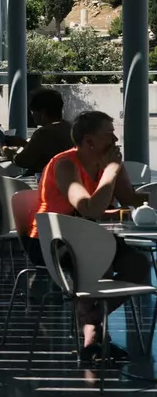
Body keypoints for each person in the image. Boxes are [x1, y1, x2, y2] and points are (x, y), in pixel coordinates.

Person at [23, 111, 149, 366]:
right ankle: (92, 337)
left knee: (138, 265)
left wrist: (137, 190)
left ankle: (92, 319)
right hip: (54, 238)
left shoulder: (109, 163)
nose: (115, 139)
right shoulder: (66, 164)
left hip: (91, 235)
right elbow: (89, 207)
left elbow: (130, 200)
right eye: (108, 134)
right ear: (89, 140)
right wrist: (110, 173)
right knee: (100, 264)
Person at [6, 88, 74, 177]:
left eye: (33, 111)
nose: (32, 115)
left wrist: (6, 151)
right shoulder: (70, 128)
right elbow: (46, 151)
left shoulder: (43, 133)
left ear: (42, 113)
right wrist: (25, 144)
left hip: (45, 180)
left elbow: (21, 160)